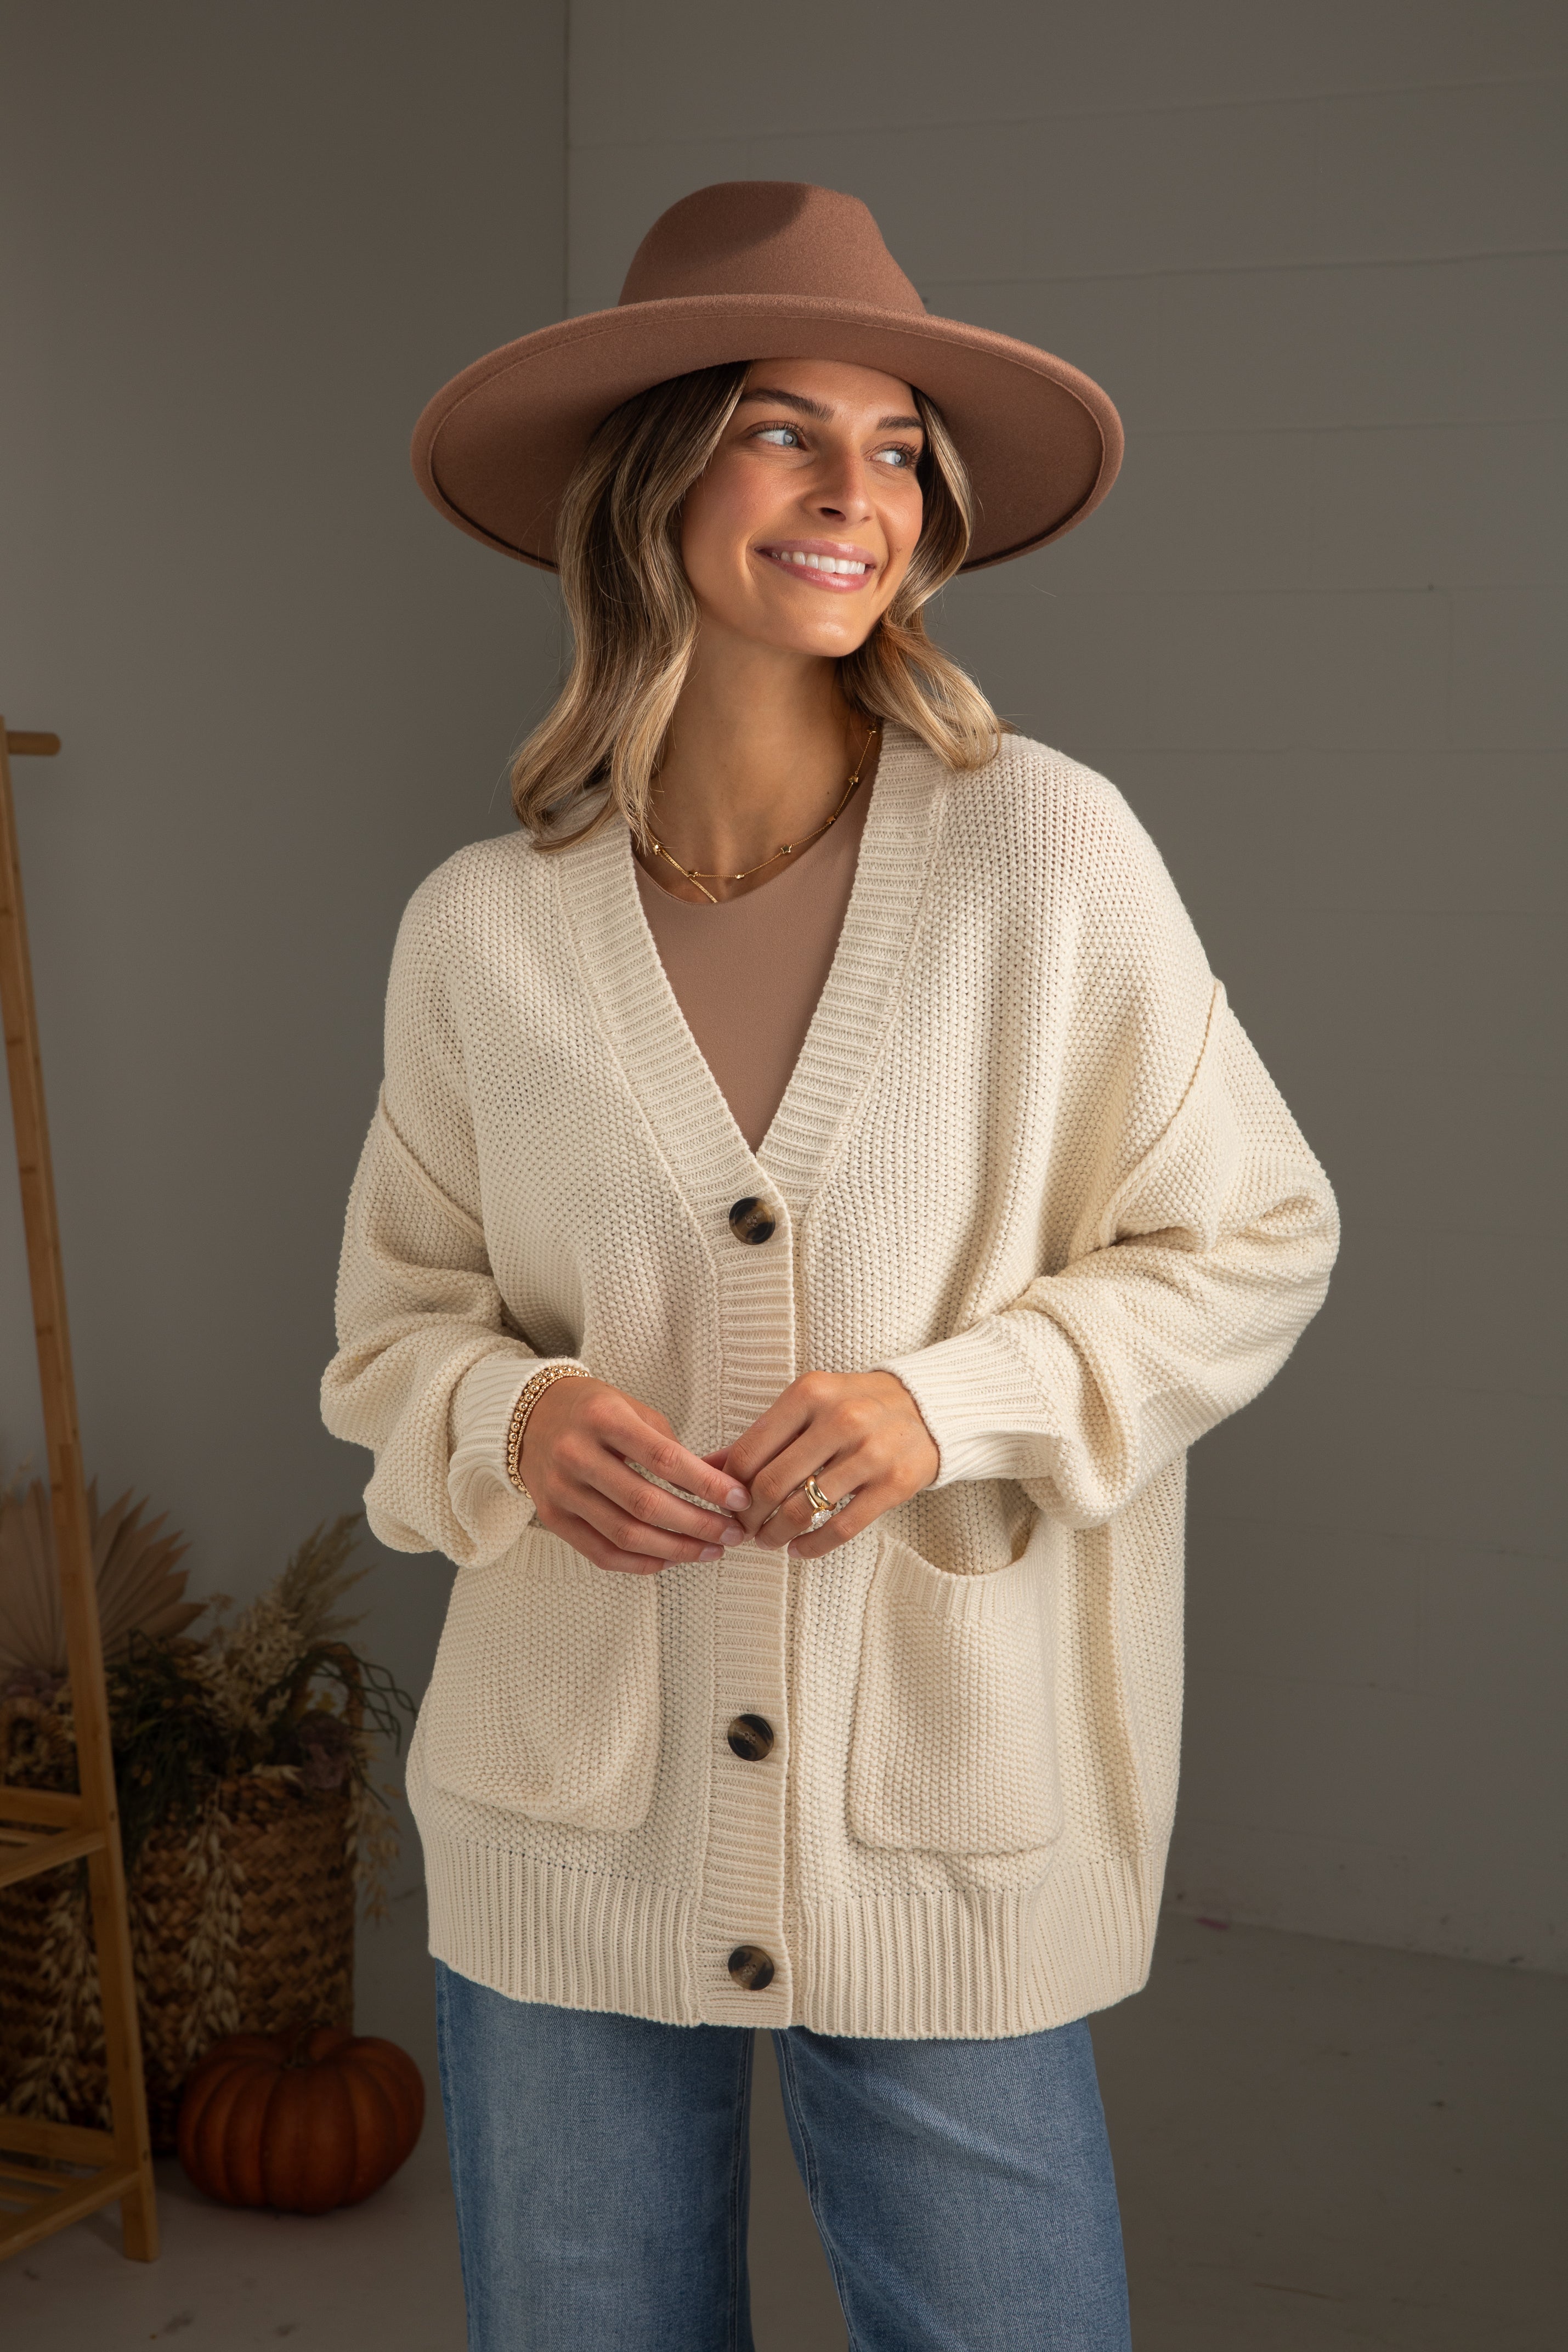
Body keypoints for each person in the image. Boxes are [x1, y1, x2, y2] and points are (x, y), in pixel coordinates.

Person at [322, 182, 1338, 2352]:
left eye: (893, 450)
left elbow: (1251, 1232)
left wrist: (947, 1398)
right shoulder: (482, 930)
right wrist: (513, 1413)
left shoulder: (1042, 850)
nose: (849, 492)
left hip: (943, 1813)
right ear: (651, 476)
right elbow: (393, 1330)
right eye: (784, 430)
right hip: (564, 1814)